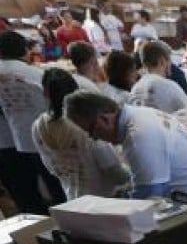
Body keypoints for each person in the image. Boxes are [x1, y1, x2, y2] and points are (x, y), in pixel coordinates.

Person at [64, 91, 187, 242]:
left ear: (104, 119)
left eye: (90, 131)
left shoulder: (139, 134)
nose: (94, 138)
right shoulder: (138, 115)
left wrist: (110, 221)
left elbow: (149, 197)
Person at [33, 69, 129, 200]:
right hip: (107, 199)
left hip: (74, 198)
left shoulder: (38, 127)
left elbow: (52, 168)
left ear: (45, 93)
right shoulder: (86, 125)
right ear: (77, 90)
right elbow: (116, 175)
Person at [0, 31, 66, 213]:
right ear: (24, 50)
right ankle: (64, 216)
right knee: (55, 183)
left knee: (23, 188)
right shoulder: (35, 74)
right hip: (43, 135)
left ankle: (35, 222)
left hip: (11, 138)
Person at [130, 41, 187, 114]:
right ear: (162, 61)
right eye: (169, 60)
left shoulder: (135, 88)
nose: (171, 64)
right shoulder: (170, 86)